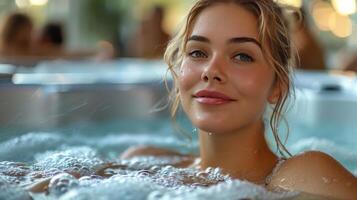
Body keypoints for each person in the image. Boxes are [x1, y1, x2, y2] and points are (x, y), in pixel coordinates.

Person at [121, 0, 357, 199]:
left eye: (242, 56)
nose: (211, 70)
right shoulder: (145, 164)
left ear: (278, 87)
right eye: (198, 52)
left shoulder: (305, 177)